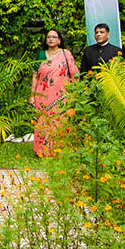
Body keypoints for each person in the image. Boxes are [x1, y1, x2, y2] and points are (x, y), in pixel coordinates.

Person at [30, 29, 80, 157]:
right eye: (48, 37)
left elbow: (75, 74)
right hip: (42, 96)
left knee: (60, 121)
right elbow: (35, 76)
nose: (51, 39)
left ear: (59, 40)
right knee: (43, 121)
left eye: (54, 37)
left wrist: (74, 92)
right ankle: (42, 151)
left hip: (62, 96)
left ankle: (60, 150)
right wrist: (32, 95)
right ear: (46, 40)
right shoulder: (41, 55)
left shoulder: (65, 54)